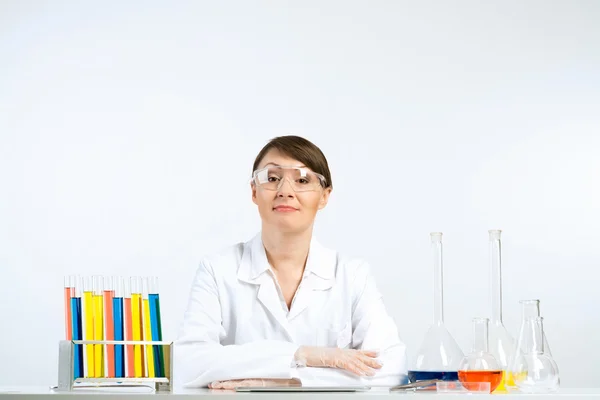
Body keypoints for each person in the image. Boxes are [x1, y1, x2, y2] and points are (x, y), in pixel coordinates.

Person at [175, 135, 407, 389]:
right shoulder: (218, 270)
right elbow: (189, 364)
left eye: (302, 180)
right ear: (254, 191)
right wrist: (302, 354)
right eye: (272, 179)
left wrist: (281, 381)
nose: (285, 191)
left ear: (324, 196)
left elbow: (390, 369)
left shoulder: (352, 275)